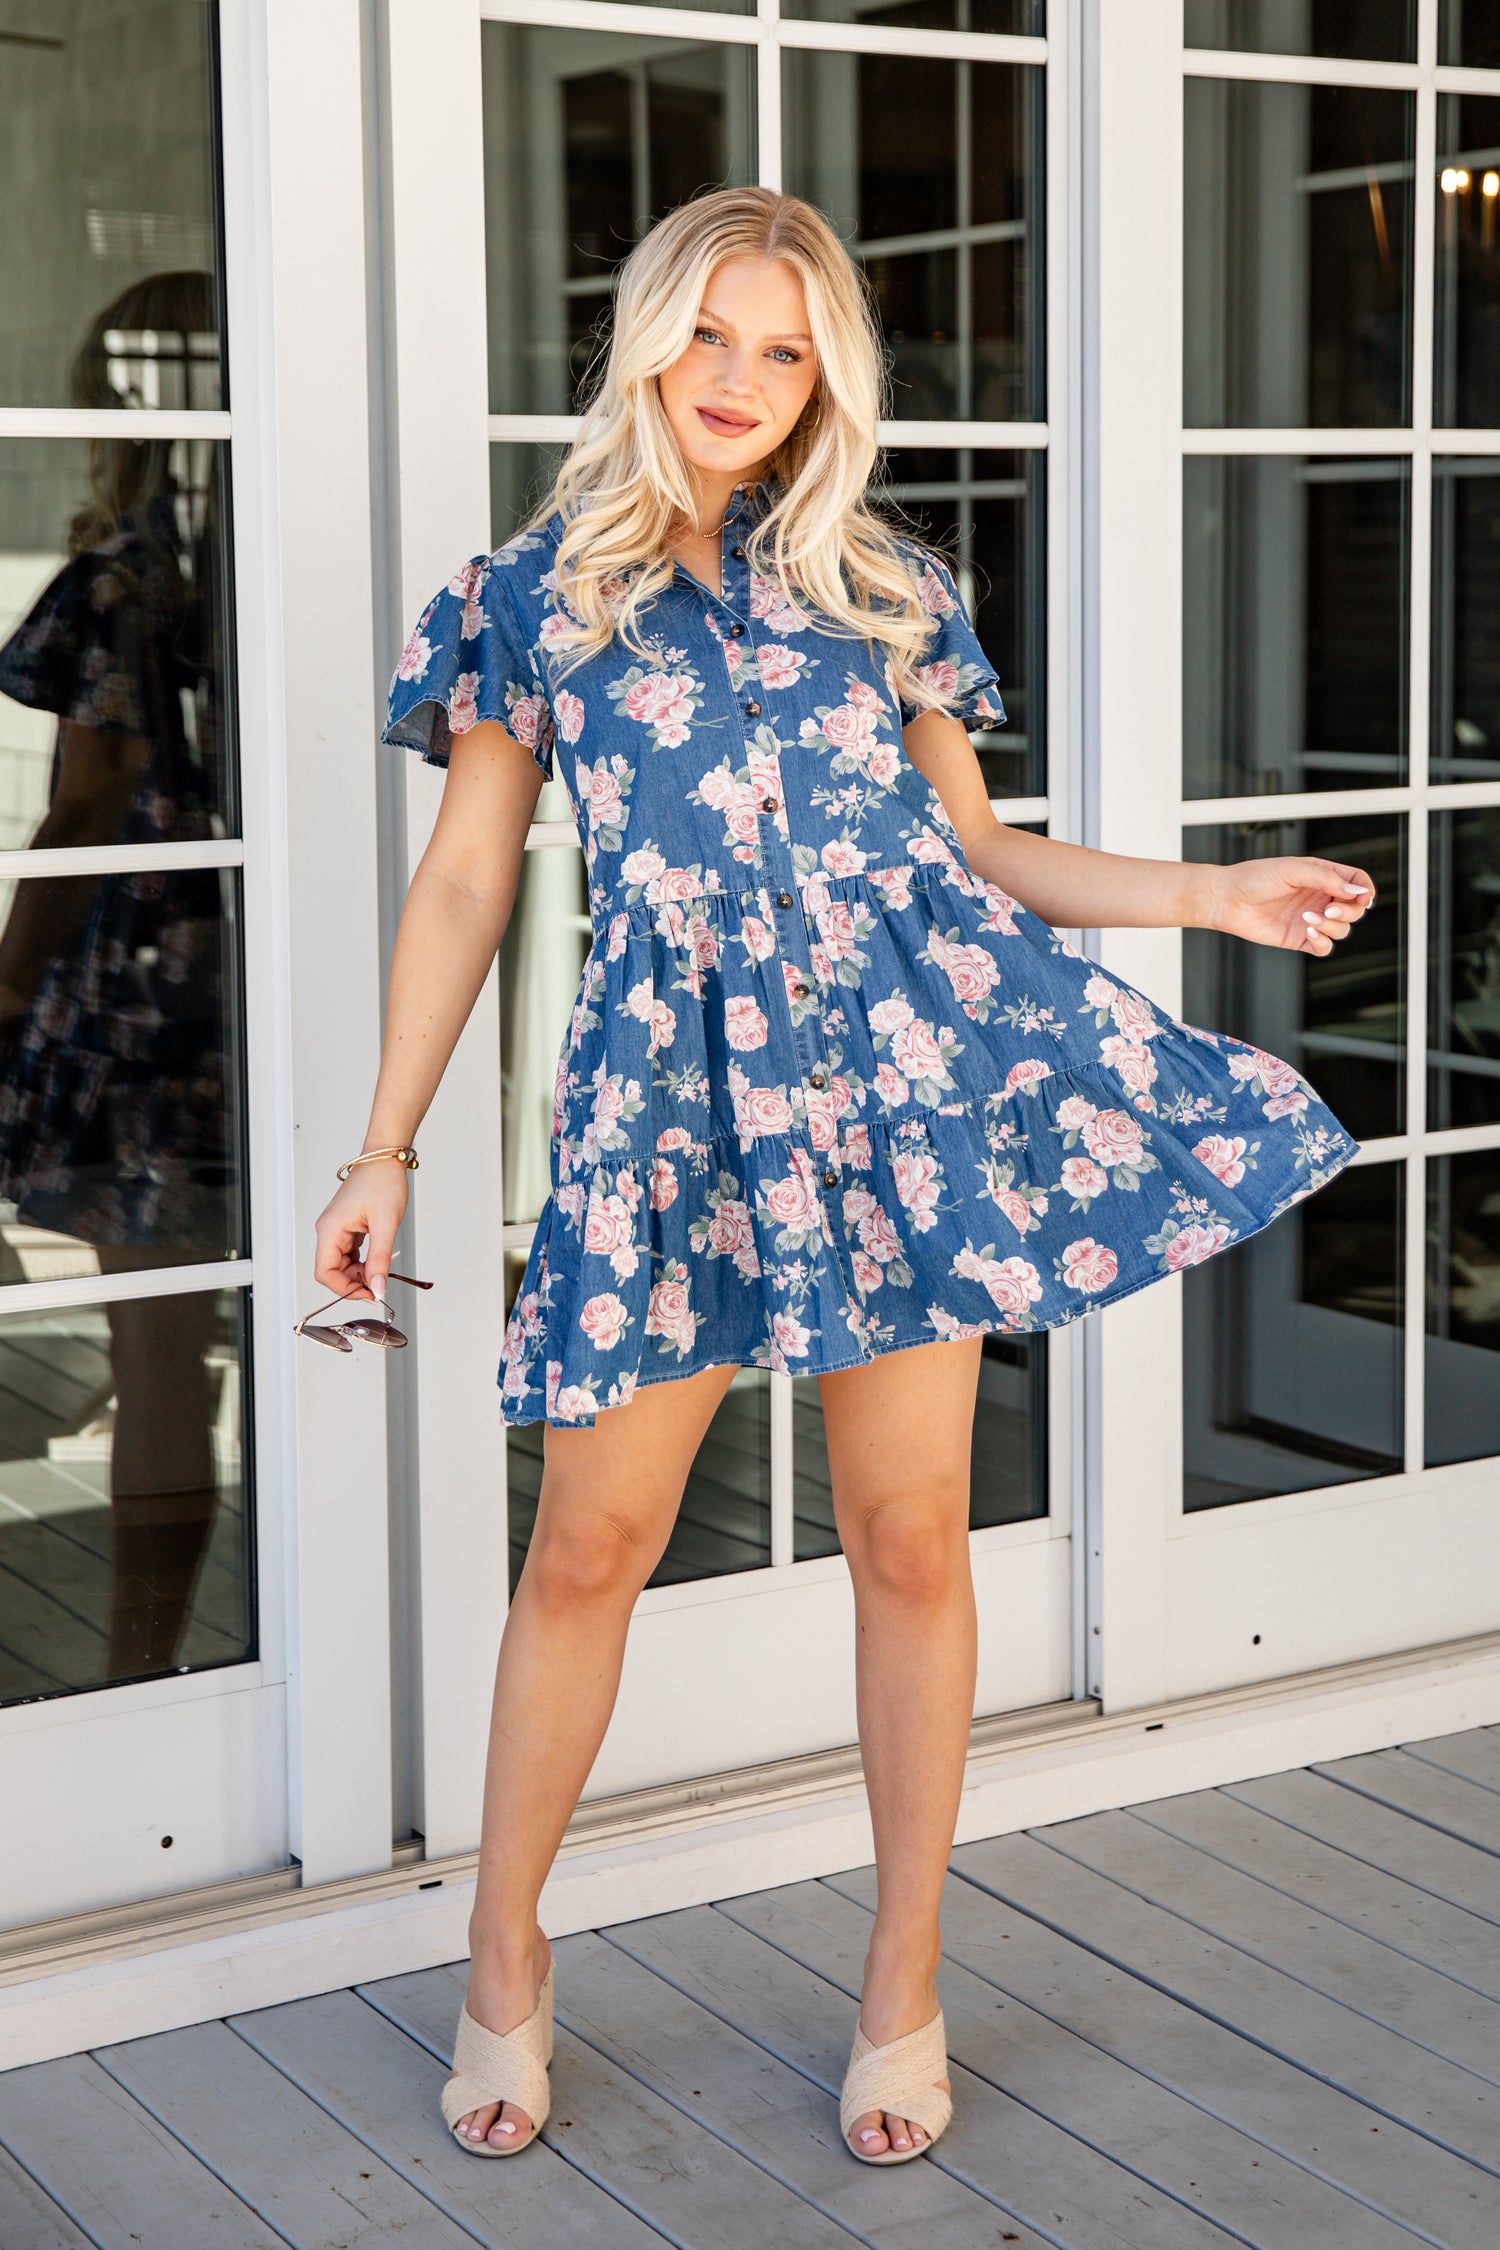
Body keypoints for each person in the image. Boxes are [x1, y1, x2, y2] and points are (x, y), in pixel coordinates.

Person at [315, 186, 1371, 2166]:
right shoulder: (535, 593)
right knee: (588, 1550)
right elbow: (467, 877)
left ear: (825, 383)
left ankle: (903, 1980)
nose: (740, 379)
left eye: (784, 350)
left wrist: (1206, 891)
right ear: (644, 342)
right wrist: (383, 1146)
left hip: (906, 1097)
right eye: (711, 335)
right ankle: (503, 1961)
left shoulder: (882, 582)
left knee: (913, 1537)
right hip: (665, 1116)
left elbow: (983, 857)